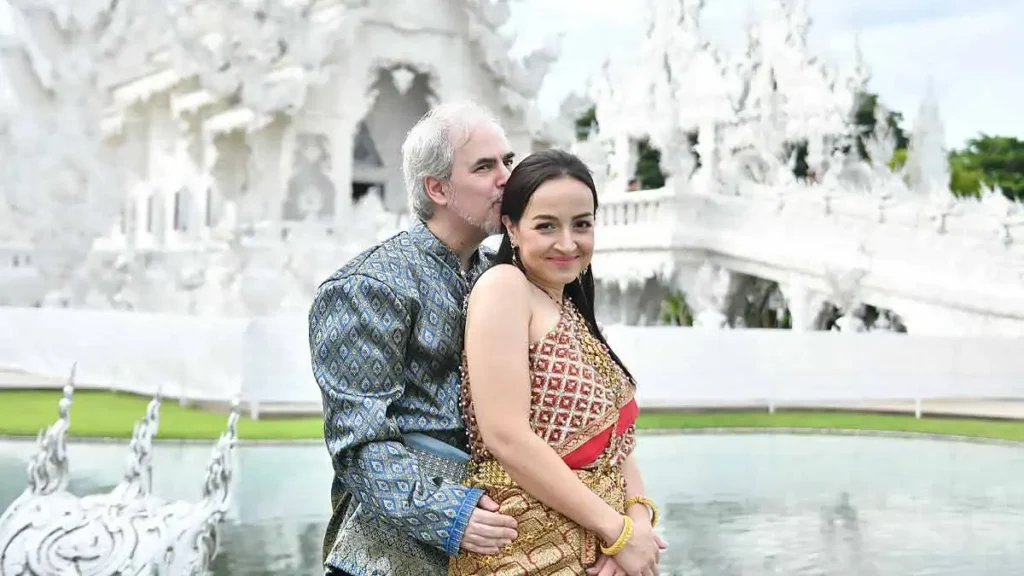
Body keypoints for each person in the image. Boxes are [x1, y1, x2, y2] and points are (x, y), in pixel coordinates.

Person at [308, 100, 520, 576]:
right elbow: (360, 444)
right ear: (438, 188)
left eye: (507, 161)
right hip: (389, 555)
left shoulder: (503, 279)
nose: (506, 177)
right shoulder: (369, 287)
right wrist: (452, 514)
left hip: (500, 538)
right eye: (485, 166)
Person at [448, 149, 667, 576]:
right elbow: (505, 435)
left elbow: (619, 447)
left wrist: (637, 528)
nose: (568, 243)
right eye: (547, 225)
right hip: (524, 549)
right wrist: (618, 532)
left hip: (601, 544)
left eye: (581, 225)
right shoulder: (504, 286)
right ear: (511, 227)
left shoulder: (571, 310)